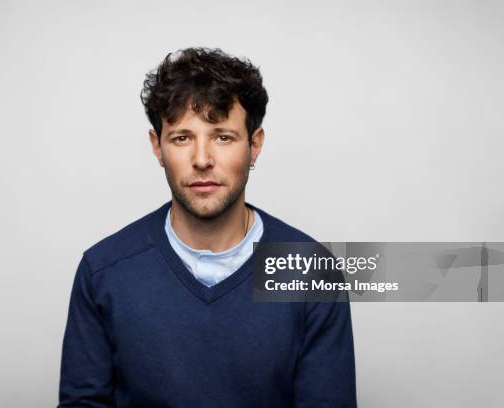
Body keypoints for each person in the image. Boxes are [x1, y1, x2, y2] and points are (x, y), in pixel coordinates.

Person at [57, 47, 356, 407]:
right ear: (157, 147)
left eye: (223, 137)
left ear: (254, 145)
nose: (202, 160)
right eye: (182, 138)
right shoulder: (103, 271)